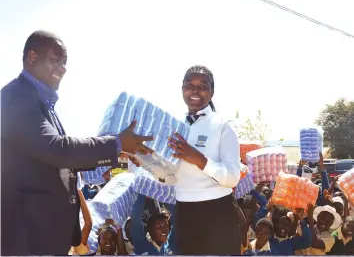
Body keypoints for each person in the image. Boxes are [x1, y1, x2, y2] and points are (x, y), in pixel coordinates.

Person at [1, 30, 153, 255]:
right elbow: (55, 149)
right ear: (32, 57)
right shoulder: (16, 96)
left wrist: (117, 155)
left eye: (65, 62)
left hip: (47, 236)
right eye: (56, 60)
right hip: (29, 237)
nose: (63, 68)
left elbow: (59, 164)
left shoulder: (43, 104)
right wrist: (116, 144)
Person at [168, 65, 242, 255]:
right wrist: (148, 162)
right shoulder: (173, 125)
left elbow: (232, 178)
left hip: (218, 212)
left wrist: (198, 159)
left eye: (202, 85)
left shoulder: (223, 124)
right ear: (182, 89)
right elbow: (170, 177)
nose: (195, 90)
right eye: (189, 85)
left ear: (212, 92)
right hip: (184, 212)